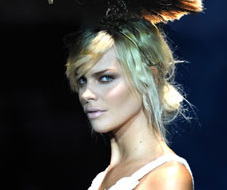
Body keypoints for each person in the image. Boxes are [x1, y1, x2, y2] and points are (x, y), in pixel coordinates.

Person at [65, 16, 194, 190]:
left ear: (151, 79)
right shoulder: (103, 177)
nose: (86, 94)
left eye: (105, 78)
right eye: (82, 81)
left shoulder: (167, 178)